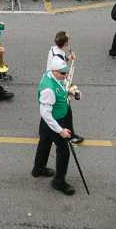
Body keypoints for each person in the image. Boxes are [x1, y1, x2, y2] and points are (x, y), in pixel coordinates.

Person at [32, 60, 76, 195]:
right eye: (63, 73)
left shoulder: (50, 75)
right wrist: (60, 130)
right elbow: (45, 113)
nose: (66, 75)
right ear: (55, 71)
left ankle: (38, 168)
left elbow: (60, 87)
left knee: (44, 143)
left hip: (49, 122)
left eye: (66, 72)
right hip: (54, 122)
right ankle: (59, 182)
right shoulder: (48, 90)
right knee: (63, 151)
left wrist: (68, 92)